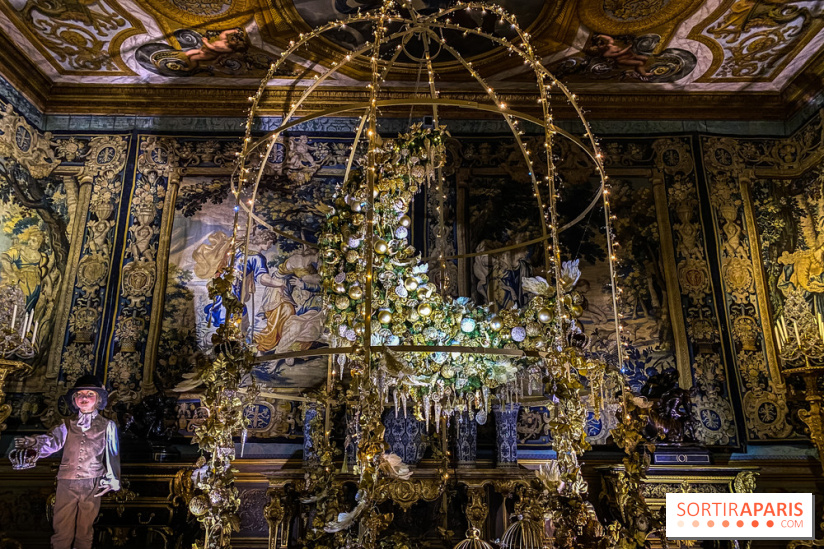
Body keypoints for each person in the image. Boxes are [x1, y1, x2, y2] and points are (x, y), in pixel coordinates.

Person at [14, 375, 120, 549]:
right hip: (66, 481)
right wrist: (34, 444)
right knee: (62, 528)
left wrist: (112, 479)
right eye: (80, 395)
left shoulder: (107, 425)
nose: (84, 398)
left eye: (89, 394)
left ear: (98, 399)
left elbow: (113, 454)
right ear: (74, 399)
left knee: (85, 530)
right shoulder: (66, 424)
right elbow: (51, 442)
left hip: (92, 482)